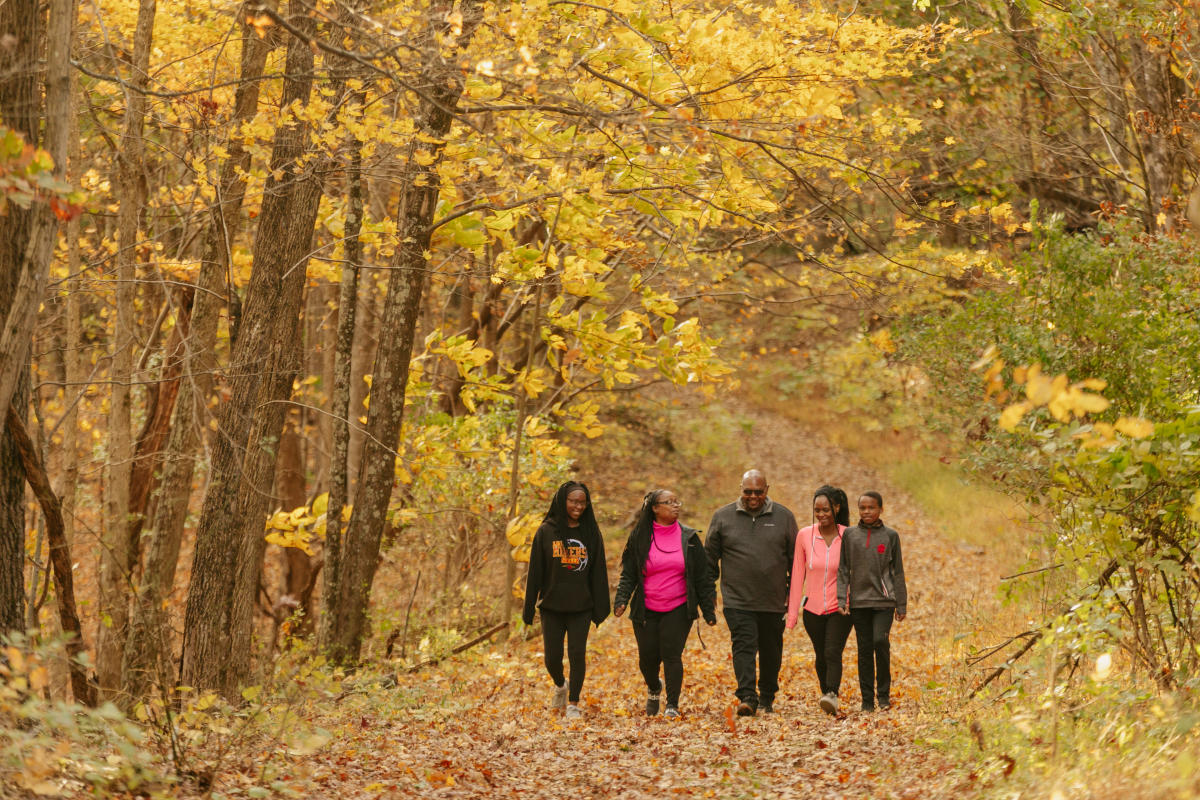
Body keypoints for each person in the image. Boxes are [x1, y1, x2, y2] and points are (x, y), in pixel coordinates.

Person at [614, 489, 717, 719]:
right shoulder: (640, 536)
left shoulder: (689, 538)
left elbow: (702, 576)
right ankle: (653, 687)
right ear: (654, 508)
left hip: (678, 607)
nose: (675, 505)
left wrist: (708, 610)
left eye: (676, 501)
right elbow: (629, 573)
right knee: (647, 658)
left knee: (672, 655)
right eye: (668, 502)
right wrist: (622, 600)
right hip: (646, 608)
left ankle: (672, 704)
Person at [705, 469, 798, 716]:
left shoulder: (784, 517)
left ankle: (767, 695)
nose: (753, 496)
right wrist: (709, 591)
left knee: (771, 649)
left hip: (773, 600)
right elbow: (709, 558)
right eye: (748, 491)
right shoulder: (723, 517)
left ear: (767, 489)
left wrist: (791, 592)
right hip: (738, 599)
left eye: (758, 491)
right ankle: (747, 696)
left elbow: (795, 560)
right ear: (740, 489)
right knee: (744, 645)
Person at [522, 480, 611, 719]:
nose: (578, 506)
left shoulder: (590, 532)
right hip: (551, 606)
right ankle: (561, 684)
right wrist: (529, 607)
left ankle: (573, 702)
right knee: (551, 658)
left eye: (582, 502)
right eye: (573, 501)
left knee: (576, 653)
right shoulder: (547, 531)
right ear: (563, 501)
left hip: (581, 606)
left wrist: (601, 606)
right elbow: (535, 572)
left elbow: (598, 571)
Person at [837, 491, 908, 712]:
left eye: (871, 508)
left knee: (880, 642)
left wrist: (901, 603)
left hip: (884, 602)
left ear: (881, 510)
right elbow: (843, 568)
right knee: (864, 649)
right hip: (859, 602)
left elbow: (897, 572)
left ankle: (884, 697)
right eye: (863, 508)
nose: (867, 512)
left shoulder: (891, 536)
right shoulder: (849, 535)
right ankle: (867, 701)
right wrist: (842, 597)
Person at [786, 485, 852, 716]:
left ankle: (832, 693)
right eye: (817, 510)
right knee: (821, 654)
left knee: (833, 651)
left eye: (826, 509)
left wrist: (850, 601)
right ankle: (826, 694)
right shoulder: (805, 535)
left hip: (840, 607)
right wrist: (792, 615)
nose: (821, 514)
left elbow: (854, 573)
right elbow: (797, 575)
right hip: (812, 609)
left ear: (836, 508)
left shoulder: (848, 535)